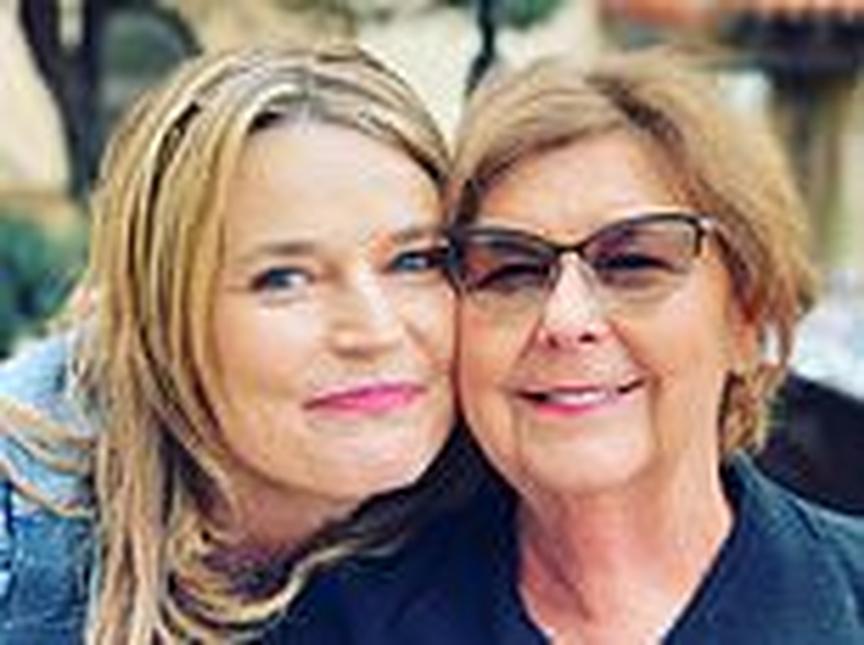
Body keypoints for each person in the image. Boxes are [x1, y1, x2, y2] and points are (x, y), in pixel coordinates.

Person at [278, 49, 864, 643]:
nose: (565, 319)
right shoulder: (337, 622)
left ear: (749, 319)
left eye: (633, 263)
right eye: (512, 270)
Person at [0, 43, 466, 643]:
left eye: (414, 261)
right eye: (284, 279)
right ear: (161, 312)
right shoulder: (21, 527)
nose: (375, 332)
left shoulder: (512, 492)